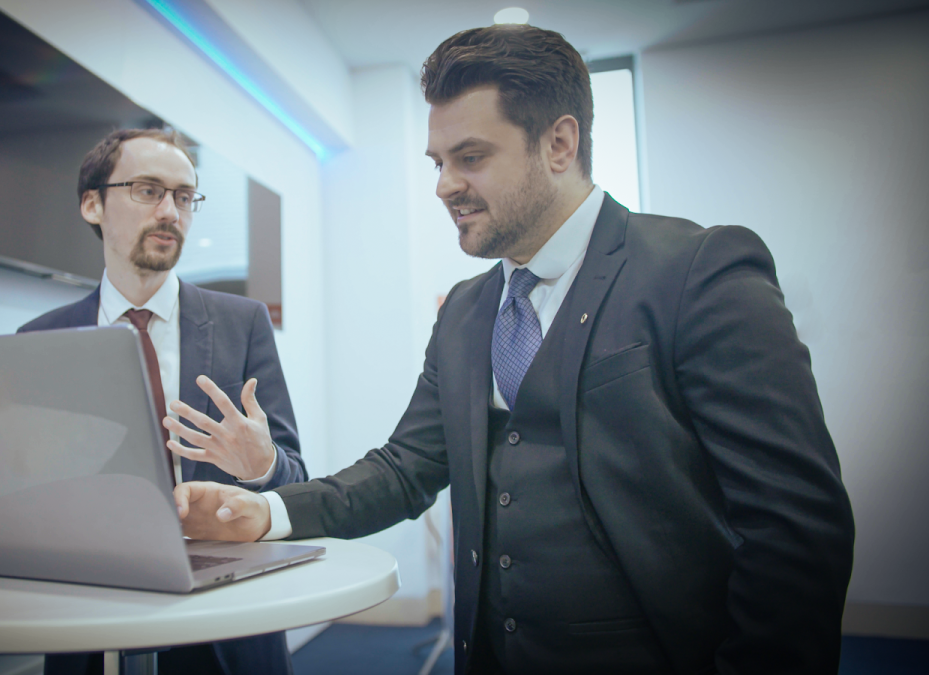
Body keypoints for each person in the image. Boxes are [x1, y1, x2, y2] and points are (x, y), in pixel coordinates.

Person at [171, 25, 855, 674]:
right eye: (438, 162)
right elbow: (405, 467)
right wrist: (268, 511)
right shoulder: (466, 309)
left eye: (470, 157)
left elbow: (795, 526)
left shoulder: (697, 270)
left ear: (559, 144)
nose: (443, 185)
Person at [19, 128, 305, 675]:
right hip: (91, 616)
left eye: (183, 195)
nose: (171, 211)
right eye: (148, 190)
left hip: (225, 620)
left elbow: (294, 482)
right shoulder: (40, 340)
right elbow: (24, 496)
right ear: (92, 203)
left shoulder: (242, 324)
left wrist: (262, 464)